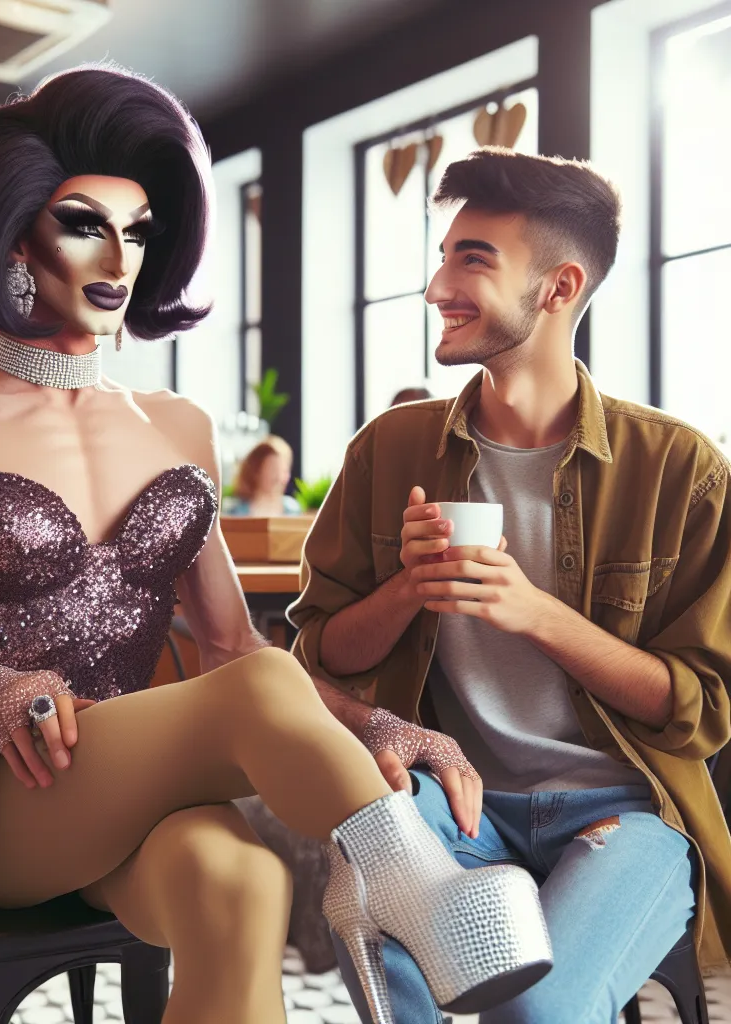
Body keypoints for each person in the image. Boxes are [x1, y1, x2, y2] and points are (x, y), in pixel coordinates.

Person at [0, 70, 552, 1024]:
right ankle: (419, 890)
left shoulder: (179, 426)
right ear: (17, 234)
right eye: (83, 223)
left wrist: (369, 728)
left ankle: (396, 881)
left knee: (243, 887)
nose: (119, 255)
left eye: (140, 229)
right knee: (256, 704)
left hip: (137, 778)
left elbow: (235, 649)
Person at [289, 147, 731, 1024]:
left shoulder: (679, 468)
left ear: (559, 287)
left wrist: (535, 614)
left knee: (540, 1009)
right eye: (444, 255)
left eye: (472, 260)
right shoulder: (391, 449)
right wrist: (408, 589)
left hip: (625, 807)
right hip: (458, 799)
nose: (436, 287)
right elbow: (319, 654)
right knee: (375, 936)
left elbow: (700, 708)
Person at [223, 435, 301, 515]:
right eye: (272, 469)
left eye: (283, 470)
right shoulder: (236, 511)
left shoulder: (292, 510)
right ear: (256, 471)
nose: (278, 477)